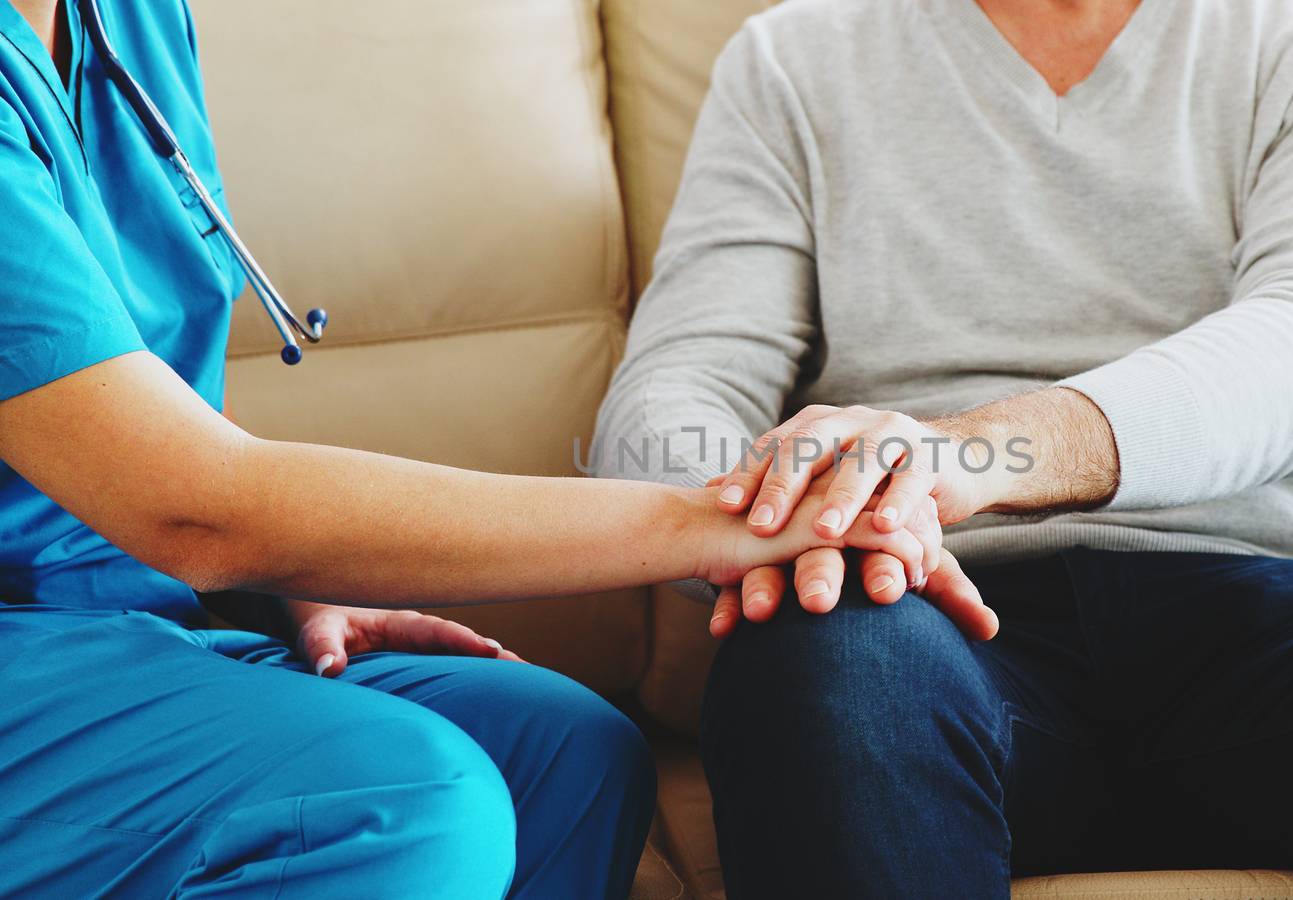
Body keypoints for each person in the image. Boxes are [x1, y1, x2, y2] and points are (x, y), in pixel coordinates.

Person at [592, 0, 1293, 896]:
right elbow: (672, 391)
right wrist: (778, 514)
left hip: (1280, 631)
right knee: (820, 648)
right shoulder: (793, 56)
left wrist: (966, 460)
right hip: (924, 619)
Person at [0, 1, 988, 897]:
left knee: (565, 754)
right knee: (409, 802)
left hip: (123, 615)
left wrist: (294, 577)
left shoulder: (127, 17)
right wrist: (722, 520)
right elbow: (192, 502)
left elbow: (123, 420)